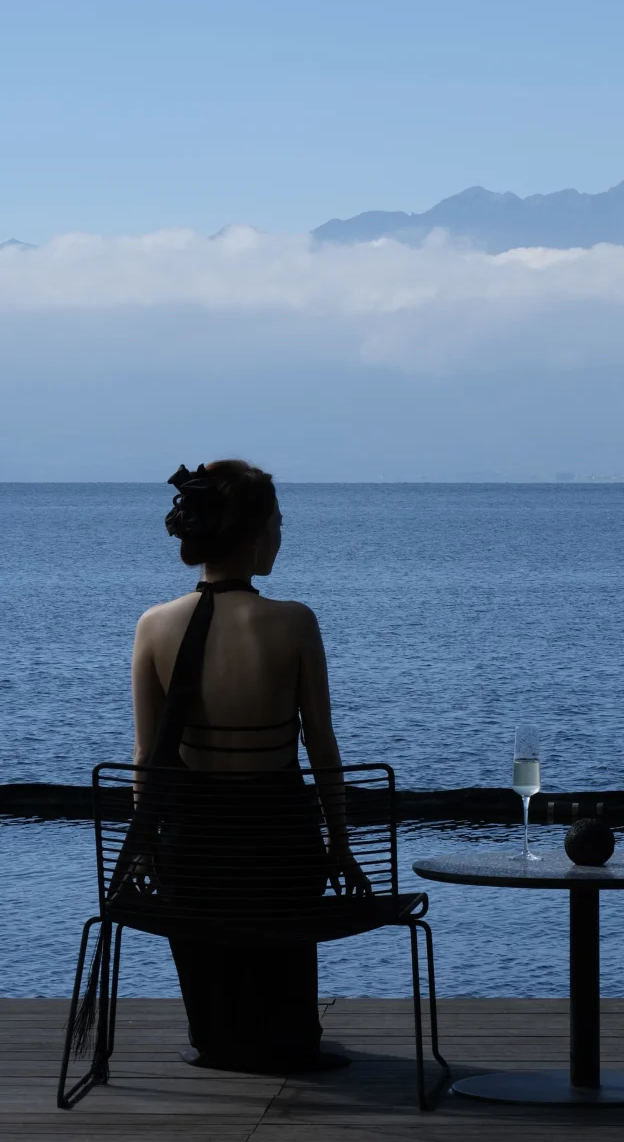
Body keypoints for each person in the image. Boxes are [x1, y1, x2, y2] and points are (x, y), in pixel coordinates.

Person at [130, 458, 368, 1073]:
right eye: (279, 523)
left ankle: (215, 1034)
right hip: (278, 852)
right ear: (255, 534)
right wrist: (340, 843)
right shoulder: (294, 623)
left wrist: (146, 849)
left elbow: (145, 757)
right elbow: (322, 747)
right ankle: (287, 1034)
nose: (282, 536)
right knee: (283, 856)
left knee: (202, 868)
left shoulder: (153, 626)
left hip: (194, 857)